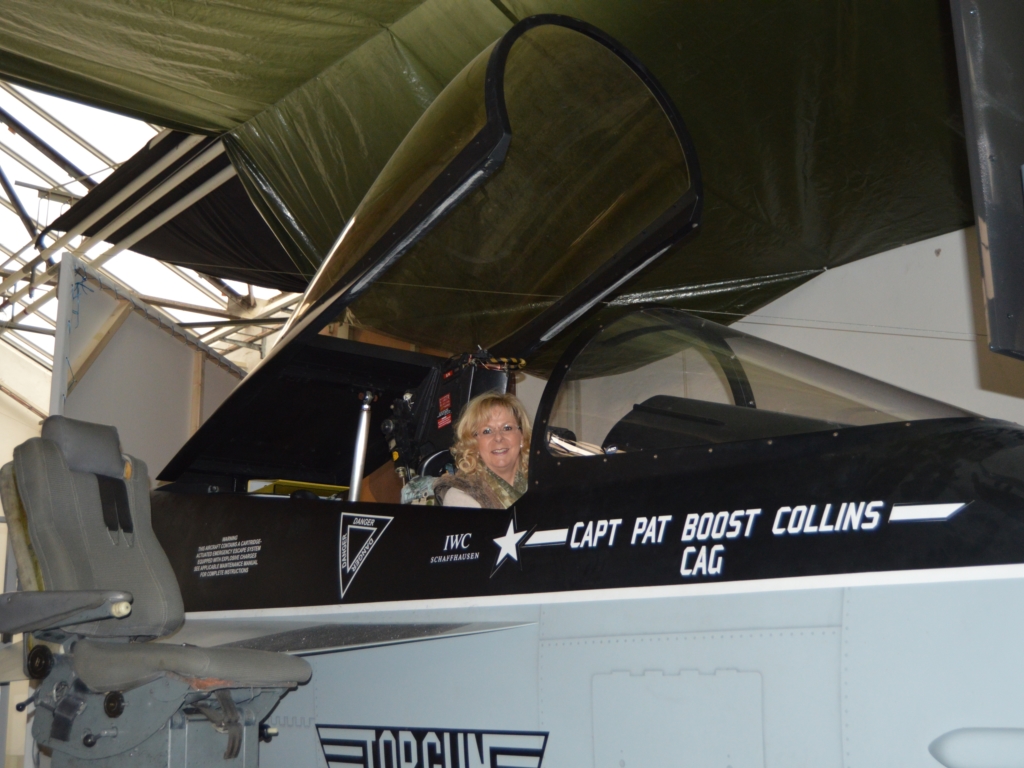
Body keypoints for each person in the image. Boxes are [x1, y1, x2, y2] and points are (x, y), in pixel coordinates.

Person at [434, 391, 531, 508]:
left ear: (522, 436)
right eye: (487, 431)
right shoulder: (460, 495)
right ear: (473, 442)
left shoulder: (542, 483)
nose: (498, 437)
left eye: (507, 428)